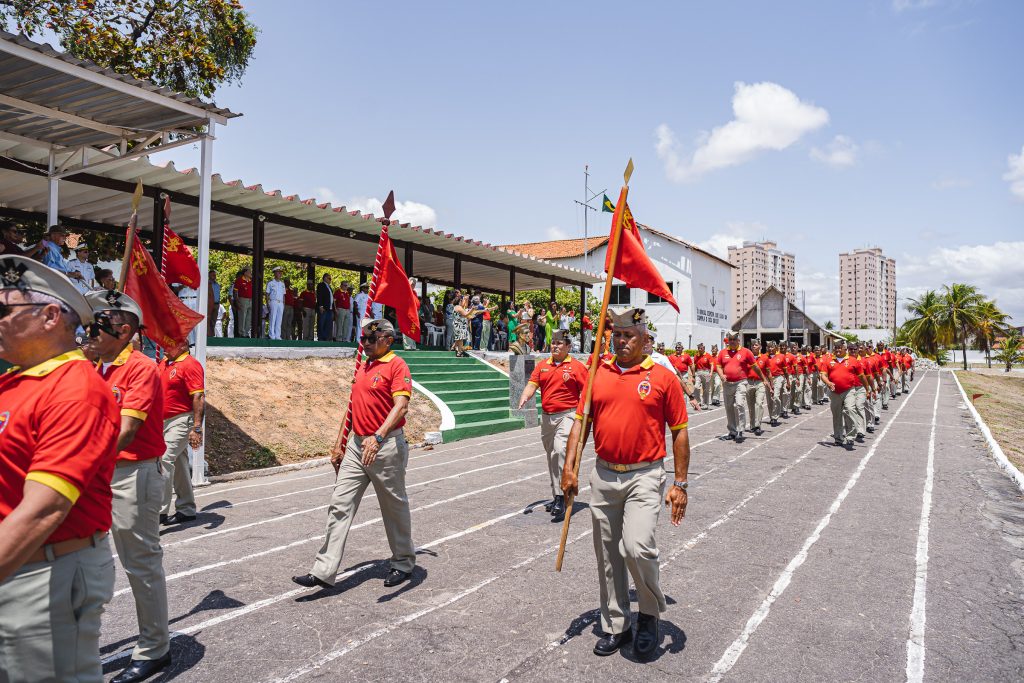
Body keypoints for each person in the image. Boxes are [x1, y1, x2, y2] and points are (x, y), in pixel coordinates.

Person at [0, 256, 119, 683]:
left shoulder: (76, 389)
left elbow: (44, 509)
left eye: (3, 311)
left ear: (51, 315)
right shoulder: (17, 380)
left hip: (40, 572)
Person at [561, 307, 690, 661]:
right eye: (616, 335)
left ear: (645, 340)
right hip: (603, 474)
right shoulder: (596, 373)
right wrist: (569, 467)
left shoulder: (663, 378)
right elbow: (580, 423)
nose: (621, 341)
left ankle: (648, 615)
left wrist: (680, 483)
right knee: (606, 556)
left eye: (629, 335)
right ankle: (617, 623)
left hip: (645, 475)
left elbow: (679, 432)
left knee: (636, 547)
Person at [84, 290, 172, 682]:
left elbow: (127, 429)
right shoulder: (93, 366)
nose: (87, 333)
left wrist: (82, 465)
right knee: (86, 561)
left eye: (95, 325)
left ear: (122, 329)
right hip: (97, 472)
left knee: (140, 562)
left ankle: (155, 648)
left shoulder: (142, 368)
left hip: (132, 473)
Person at [293, 319, 416, 590]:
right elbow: (351, 407)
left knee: (393, 507)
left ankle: (403, 562)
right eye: (363, 340)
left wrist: (379, 436)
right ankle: (323, 570)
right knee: (340, 504)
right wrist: (339, 443)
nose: (366, 344)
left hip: (385, 446)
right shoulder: (364, 365)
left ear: (387, 339)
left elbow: (402, 406)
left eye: (372, 340)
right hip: (356, 445)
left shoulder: (397, 366)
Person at [518, 330, 588, 520]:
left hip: (568, 415)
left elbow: (587, 391)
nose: (555, 346)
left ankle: (561, 497)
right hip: (547, 417)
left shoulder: (576, 367)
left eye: (559, 343)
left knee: (560, 450)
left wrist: (583, 415)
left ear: (568, 346)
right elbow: (532, 384)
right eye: (553, 343)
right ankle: (557, 494)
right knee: (551, 455)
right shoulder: (543, 366)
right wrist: (525, 395)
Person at [158, 339, 204, 527]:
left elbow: (198, 396)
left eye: (170, 344)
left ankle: (159, 511)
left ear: (183, 345)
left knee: (164, 459)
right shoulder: (165, 363)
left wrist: (197, 427)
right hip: (163, 421)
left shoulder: (190, 364)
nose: (165, 348)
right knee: (179, 462)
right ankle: (186, 509)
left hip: (181, 419)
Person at [716, 333, 765, 442]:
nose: (732, 341)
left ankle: (740, 430)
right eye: (730, 339)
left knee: (739, 404)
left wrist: (763, 379)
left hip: (741, 382)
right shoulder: (722, 353)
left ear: (738, 340)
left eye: (734, 339)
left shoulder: (746, 352)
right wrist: (721, 374)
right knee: (729, 407)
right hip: (727, 384)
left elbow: (755, 367)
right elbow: (718, 366)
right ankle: (732, 431)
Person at [821, 341, 867, 450]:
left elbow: (862, 376)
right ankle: (838, 438)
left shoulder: (853, 361)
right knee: (837, 415)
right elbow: (823, 375)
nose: (837, 350)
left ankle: (851, 436)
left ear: (845, 349)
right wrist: (828, 383)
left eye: (840, 348)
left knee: (850, 410)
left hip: (849, 390)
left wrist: (868, 389)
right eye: (836, 348)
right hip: (834, 392)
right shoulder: (828, 360)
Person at [744, 339, 773, 435]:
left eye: (756, 345)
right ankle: (752, 425)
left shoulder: (765, 358)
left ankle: (757, 425)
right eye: (752, 345)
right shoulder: (747, 357)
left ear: (760, 346)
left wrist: (771, 385)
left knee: (759, 403)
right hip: (749, 382)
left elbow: (768, 373)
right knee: (750, 406)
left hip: (760, 382)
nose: (753, 346)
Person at [764, 341, 789, 426]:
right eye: (768, 347)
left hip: (778, 378)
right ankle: (772, 417)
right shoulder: (764, 357)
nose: (770, 349)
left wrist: (788, 382)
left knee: (776, 396)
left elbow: (785, 371)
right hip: (768, 379)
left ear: (776, 348)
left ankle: (775, 416)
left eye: (772, 347)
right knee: (769, 399)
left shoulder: (781, 356)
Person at [265, 266, 286, 340]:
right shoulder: (270, 283)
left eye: (281, 272)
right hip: (273, 301)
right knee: (272, 318)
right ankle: (271, 335)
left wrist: (283, 304)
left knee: (279, 319)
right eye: (278, 272)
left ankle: (278, 335)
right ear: (275, 273)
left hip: (280, 303)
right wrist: (267, 304)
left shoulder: (282, 284)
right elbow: (267, 294)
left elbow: (283, 295)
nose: (280, 273)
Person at [692, 343, 715, 410]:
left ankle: (705, 404)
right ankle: (698, 402)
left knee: (706, 389)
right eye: (698, 348)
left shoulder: (708, 355)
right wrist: (693, 375)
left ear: (704, 348)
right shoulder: (696, 356)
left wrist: (710, 373)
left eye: (701, 348)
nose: (699, 349)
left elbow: (712, 365)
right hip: (698, 373)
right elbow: (694, 366)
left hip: (706, 373)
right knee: (696, 387)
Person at [234, 267, 253, 338]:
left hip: (250, 300)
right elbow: (235, 291)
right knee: (242, 316)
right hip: (242, 300)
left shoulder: (251, 281)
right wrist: (237, 301)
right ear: (245, 273)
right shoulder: (239, 280)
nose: (251, 273)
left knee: (249, 317)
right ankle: (241, 333)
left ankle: (246, 333)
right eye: (249, 271)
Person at [316, 273, 334, 341]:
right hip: (324, 308)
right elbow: (319, 296)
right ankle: (320, 338)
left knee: (328, 324)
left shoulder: (329, 287)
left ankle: (326, 338)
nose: (330, 280)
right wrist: (320, 306)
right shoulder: (321, 285)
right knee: (321, 323)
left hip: (330, 309)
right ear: (325, 278)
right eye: (329, 278)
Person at [207, 269, 221, 338]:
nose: (214, 276)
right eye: (213, 275)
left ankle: (212, 335)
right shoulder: (207, 284)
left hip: (216, 304)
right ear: (209, 275)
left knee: (214, 320)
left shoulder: (217, 285)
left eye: (215, 275)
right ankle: (207, 335)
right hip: (209, 304)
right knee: (208, 319)